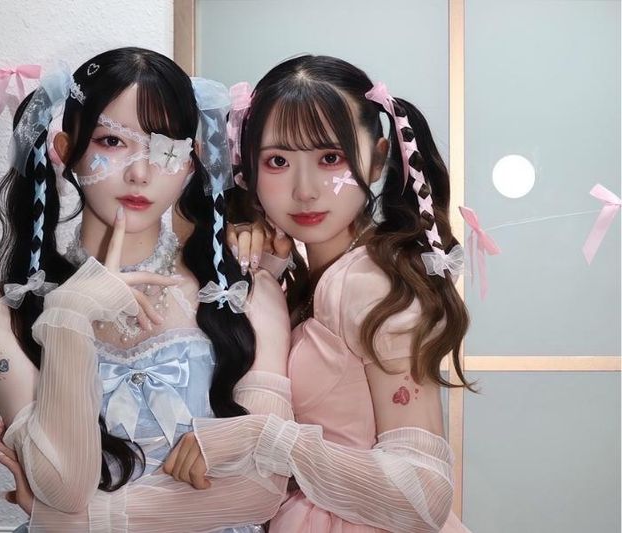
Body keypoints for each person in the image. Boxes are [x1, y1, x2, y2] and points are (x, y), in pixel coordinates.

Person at [0, 47, 293, 532]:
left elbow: (261, 490)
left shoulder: (245, 292)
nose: (140, 172)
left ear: (191, 162)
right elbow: (63, 487)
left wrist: (78, 521)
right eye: (112, 141)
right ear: (65, 149)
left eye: (166, 149)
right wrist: (69, 316)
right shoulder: (0, 311)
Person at [165, 54, 475, 533]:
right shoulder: (316, 274)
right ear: (247, 167)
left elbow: (423, 495)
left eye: (330, 158)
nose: (305, 190)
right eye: (278, 161)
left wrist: (267, 440)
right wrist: (267, 268)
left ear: (378, 158)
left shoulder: (369, 283)